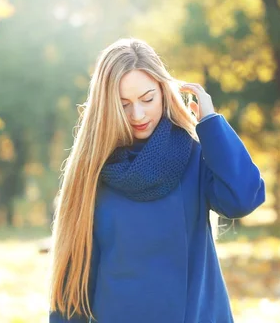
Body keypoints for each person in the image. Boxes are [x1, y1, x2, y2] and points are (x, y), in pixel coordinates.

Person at [48, 38, 265, 323]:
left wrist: (211, 122)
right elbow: (73, 282)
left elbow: (242, 198)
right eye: (123, 104)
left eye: (147, 99)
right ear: (105, 107)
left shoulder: (194, 153)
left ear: (164, 91)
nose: (137, 114)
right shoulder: (91, 172)